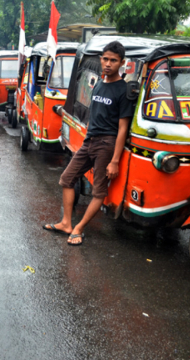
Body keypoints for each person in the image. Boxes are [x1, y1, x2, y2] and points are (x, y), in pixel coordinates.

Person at [43, 41, 134, 246]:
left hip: (107, 144)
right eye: (105, 59)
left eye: (113, 60)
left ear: (122, 63)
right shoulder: (99, 84)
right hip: (90, 140)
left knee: (99, 192)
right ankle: (66, 222)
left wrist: (115, 161)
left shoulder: (123, 90)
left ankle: (78, 228)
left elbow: (122, 129)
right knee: (67, 179)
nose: (108, 63)